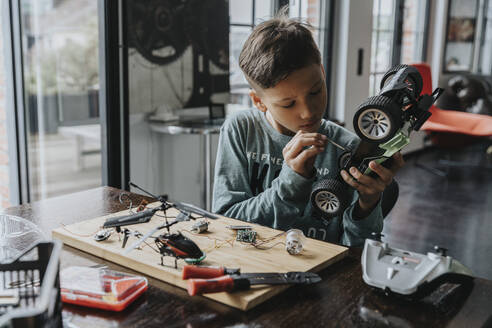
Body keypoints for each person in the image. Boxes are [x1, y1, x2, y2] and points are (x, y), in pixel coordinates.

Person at [212, 11, 404, 246]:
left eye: (315, 91)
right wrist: (292, 182)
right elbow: (226, 226)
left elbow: (354, 252)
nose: (308, 112)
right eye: (288, 104)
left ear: (322, 73)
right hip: (253, 265)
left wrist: (368, 204)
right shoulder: (241, 130)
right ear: (259, 101)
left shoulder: (350, 149)